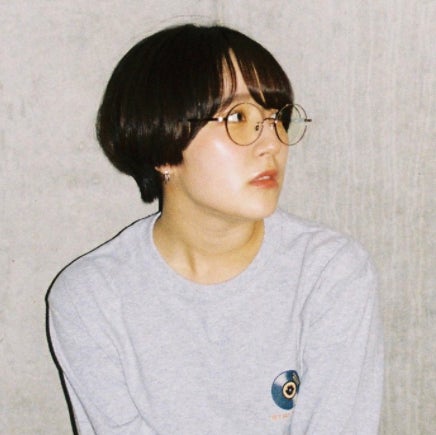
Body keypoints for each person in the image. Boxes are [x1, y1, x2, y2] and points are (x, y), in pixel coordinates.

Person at [46, 24, 383, 434]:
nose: (272, 143)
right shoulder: (92, 297)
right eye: (239, 118)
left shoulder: (329, 272)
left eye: (277, 118)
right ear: (164, 145)